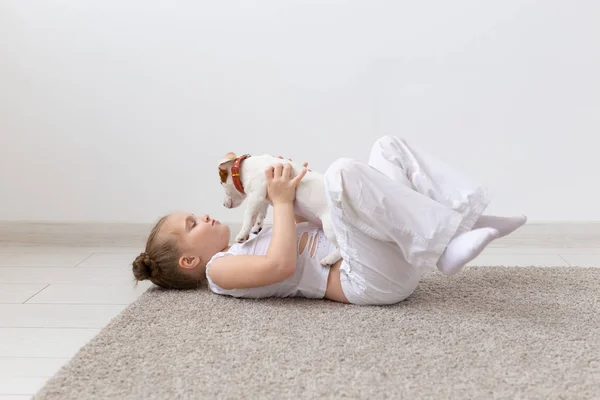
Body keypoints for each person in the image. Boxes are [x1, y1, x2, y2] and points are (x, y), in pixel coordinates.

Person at [132, 136, 526, 306]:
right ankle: (445, 247)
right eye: (191, 225)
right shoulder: (219, 272)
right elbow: (281, 265)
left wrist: (302, 193)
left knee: (386, 147)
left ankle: (464, 221)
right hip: (365, 280)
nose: (201, 216)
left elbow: (317, 228)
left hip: (372, 252)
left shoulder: (247, 236)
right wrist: (283, 202)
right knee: (342, 173)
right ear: (189, 261)